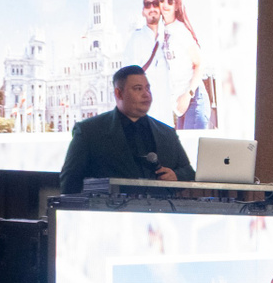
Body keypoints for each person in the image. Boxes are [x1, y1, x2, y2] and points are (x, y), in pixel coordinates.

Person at [58, 65, 197, 194]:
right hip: (110, 211)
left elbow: (189, 173)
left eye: (147, 88)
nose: (146, 94)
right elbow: (70, 182)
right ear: (119, 93)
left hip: (161, 211)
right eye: (138, 89)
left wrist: (176, 176)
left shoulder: (166, 133)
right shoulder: (89, 131)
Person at [158, 0, 209, 129]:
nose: (165, 4)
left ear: (176, 5)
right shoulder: (161, 31)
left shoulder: (180, 30)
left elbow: (200, 64)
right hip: (180, 106)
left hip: (194, 99)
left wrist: (188, 94)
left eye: (170, 1)